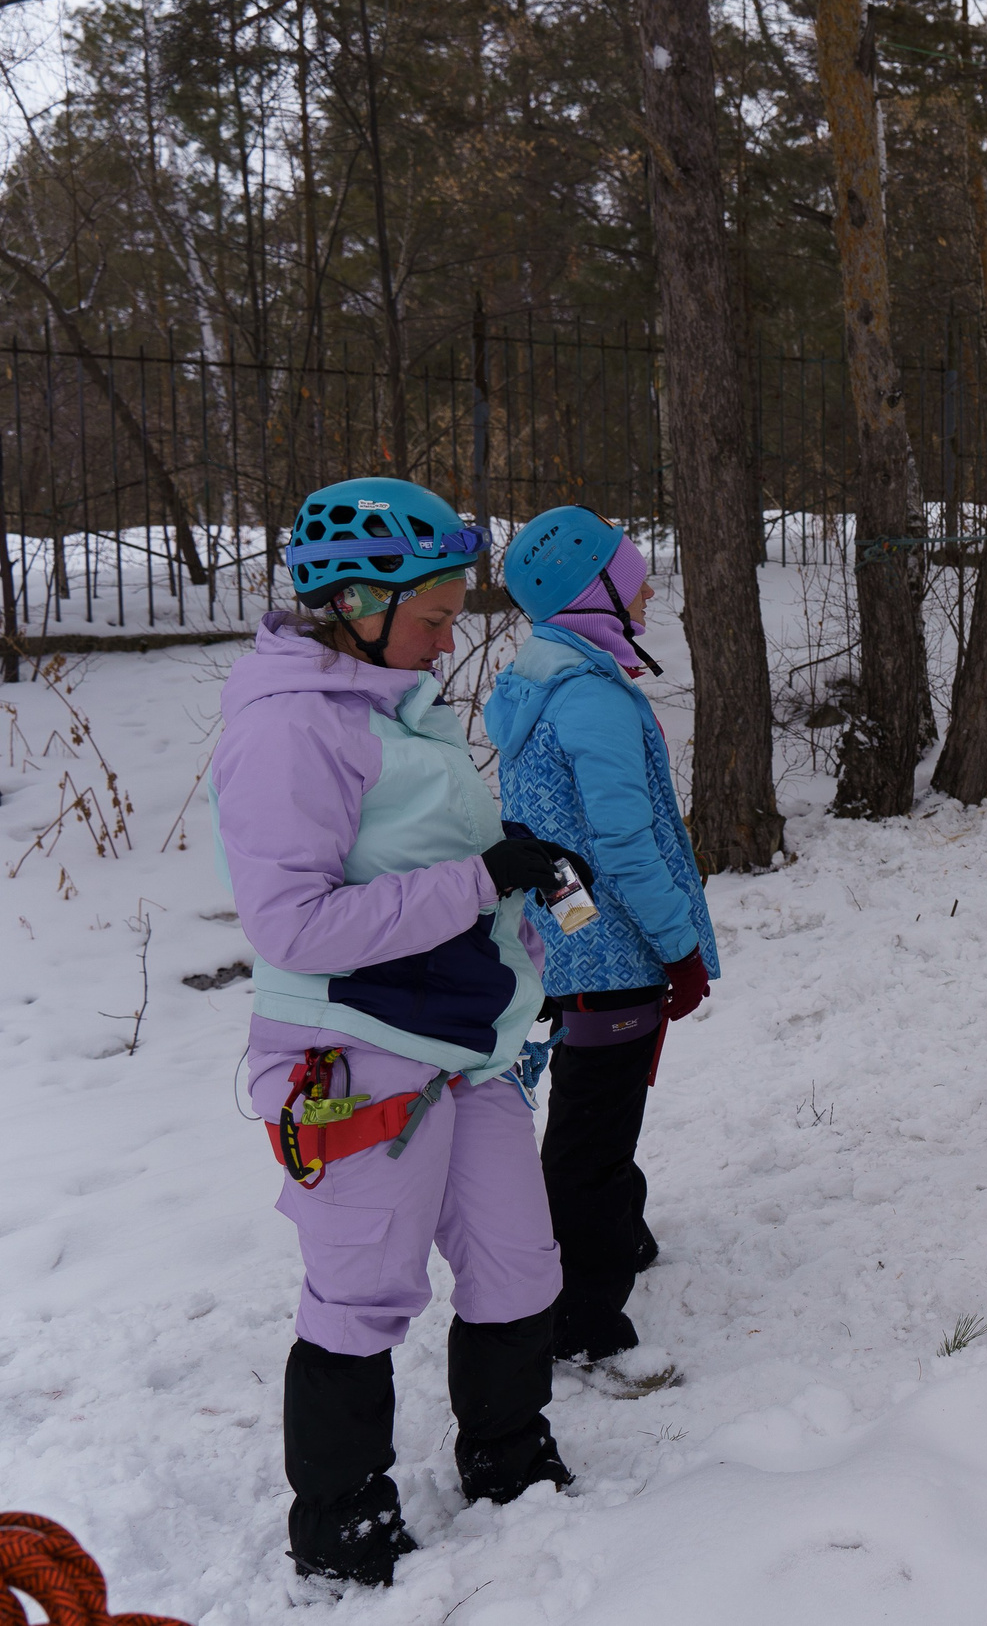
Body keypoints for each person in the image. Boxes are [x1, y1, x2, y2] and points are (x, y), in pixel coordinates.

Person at [212, 478, 583, 1589]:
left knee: (518, 1260)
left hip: (464, 1040)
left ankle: (508, 1452)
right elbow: (293, 923)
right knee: (362, 1286)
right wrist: (477, 881)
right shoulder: (290, 730)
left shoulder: (384, 704)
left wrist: (506, 871)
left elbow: (412, 861)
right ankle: (342, 1514)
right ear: (356, 605)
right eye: (432, 614)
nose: (448, 634)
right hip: (356, 1044)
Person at [486, 507, 718, 1380]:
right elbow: (624, 842)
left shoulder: (548, 679)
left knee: (598, 1100)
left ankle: (621, 1229)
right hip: (612, 946)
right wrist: (678, 944)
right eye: (633, 576)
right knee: (592, 1122)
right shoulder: (588, 697)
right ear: (595, 595)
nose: (649, 587)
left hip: (571, 936)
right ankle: (582, 1315)